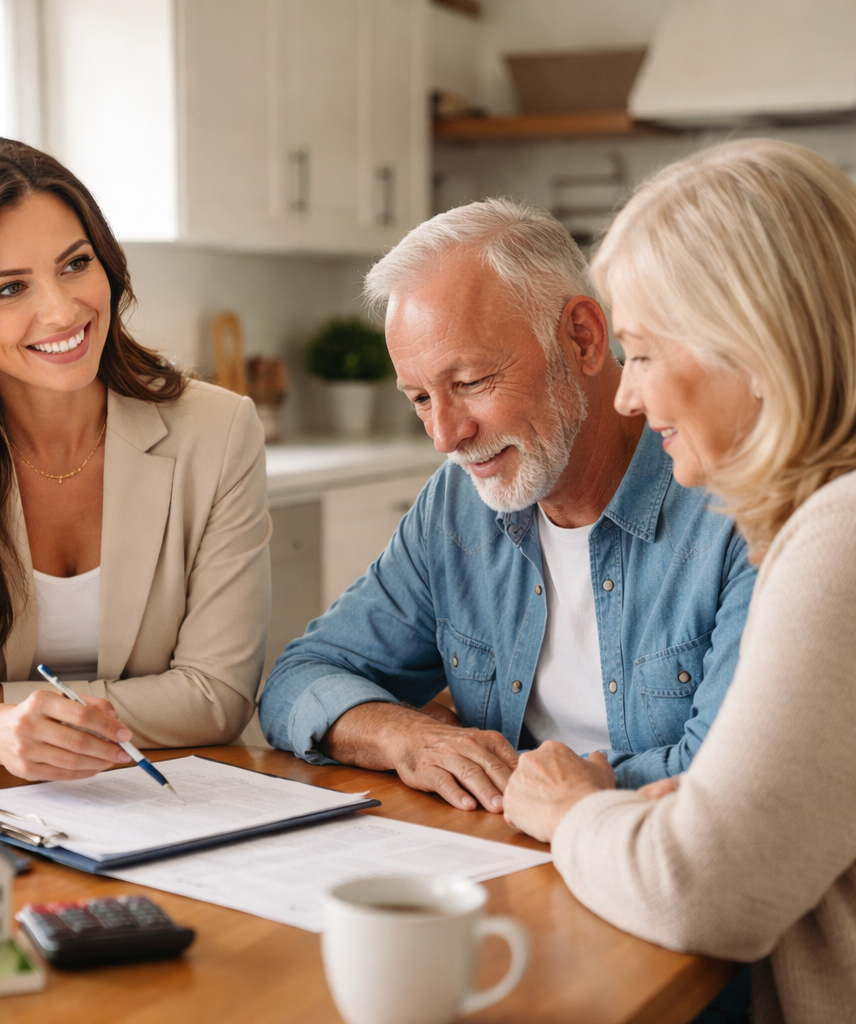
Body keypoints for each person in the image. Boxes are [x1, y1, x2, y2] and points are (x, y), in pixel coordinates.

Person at [501, 139, 856, 1022]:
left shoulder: (842, 536)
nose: (626, 396)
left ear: (751, 344)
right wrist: (690, 818)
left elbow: (708, 892)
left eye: (645, 353)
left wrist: (571, 811)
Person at [259, 199, 756, 812]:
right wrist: (407, 737)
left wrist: (518, 781)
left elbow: (722, 777)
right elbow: (298, 679)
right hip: (508, 860)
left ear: (582, 338)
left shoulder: (738, 504)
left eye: (469, 383)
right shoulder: (457, 502)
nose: (445, 436)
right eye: (419, 398)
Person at [0, 137, 271, 787]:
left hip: (174, 799)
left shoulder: (218, 430)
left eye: (75, 264)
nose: (63, 310)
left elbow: (216, 696)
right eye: (9, 288)